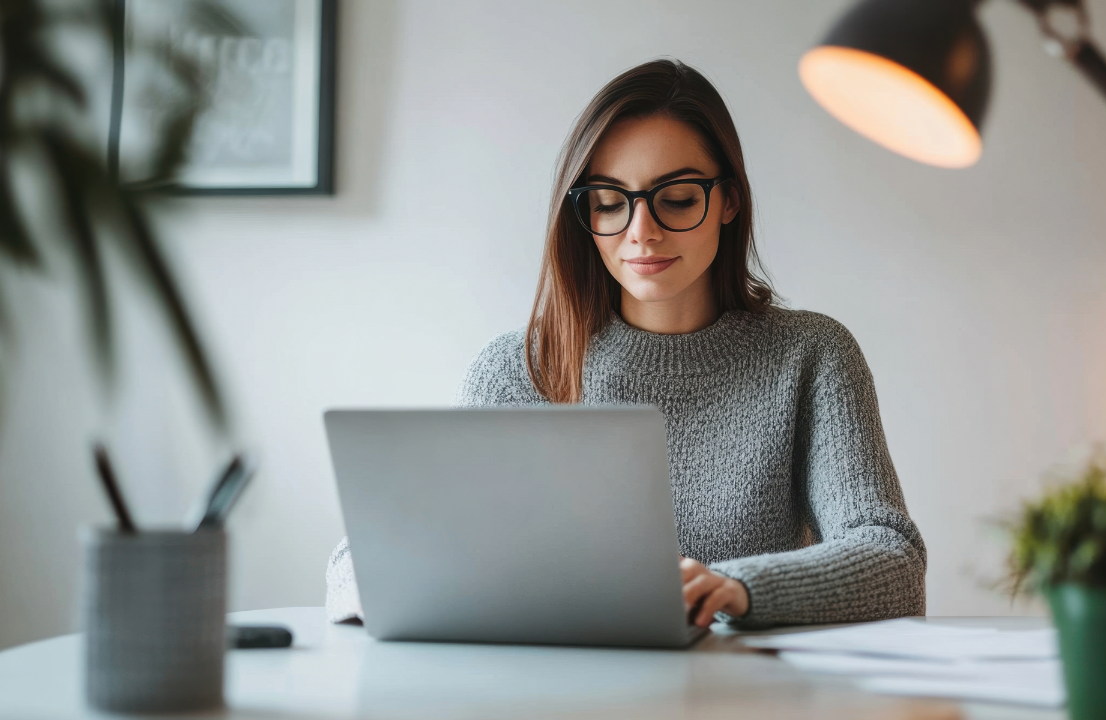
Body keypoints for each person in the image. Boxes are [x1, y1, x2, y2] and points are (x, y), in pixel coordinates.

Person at [326, 59, 925, 629]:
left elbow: (893, 559)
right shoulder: (519, 370)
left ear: (730, 199)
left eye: (678, 199)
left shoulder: (811, 355)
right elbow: (368, 555)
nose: (642, 232)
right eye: (610, 203)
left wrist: (735, 589)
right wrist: (379, 583)